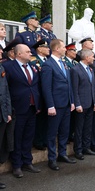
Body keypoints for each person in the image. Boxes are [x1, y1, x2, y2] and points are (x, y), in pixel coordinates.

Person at [3, 44, 41, 178]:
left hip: (32, 108)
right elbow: (5, 89)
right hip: (17, 109)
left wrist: (38, 104)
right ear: (19, 54)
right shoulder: (8, 67)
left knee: (28, 136)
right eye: (27, 51)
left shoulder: (33, 67)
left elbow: (36, 87)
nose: (30, 53)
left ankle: (27, 161)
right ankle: (17, 165)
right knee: (17, 137)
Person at [41, 39, 76, 171]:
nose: (65, 49)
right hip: (55, 105)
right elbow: (46, 87)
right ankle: (51, 158)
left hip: (66, 103)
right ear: (56, 49)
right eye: (63, 47)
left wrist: (72, 101)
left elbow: (69, 85)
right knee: (52, 133)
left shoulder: (63, 63)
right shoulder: (48, 65)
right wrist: (50, 105)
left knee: (64, 131)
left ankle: (62, 154)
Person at [71, 49, 95, 160]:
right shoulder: (75, 70)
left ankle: (86, 147)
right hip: (81, 104)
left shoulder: (91, 69)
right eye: (92, 56)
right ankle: (78, 150)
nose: (93, 58)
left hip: (90, 103)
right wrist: (77, 104)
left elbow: (93, 88)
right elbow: (74, 89)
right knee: (79, 128)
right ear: (86, 57)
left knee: (88, 127)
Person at [31, 39, 50, 151]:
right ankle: (38, 141)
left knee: (47, 119)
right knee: (39, 119)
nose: (48, 49)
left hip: (48, 94)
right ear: (39, 49)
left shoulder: (48, 60)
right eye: (46, 47)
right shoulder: (34, 60)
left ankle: (44, 139)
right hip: (39, 93)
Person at [0, 45, 12, 189]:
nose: (2, 52)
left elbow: (6, 92)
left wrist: (8, 111)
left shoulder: (2, 68)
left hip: (2, 113)